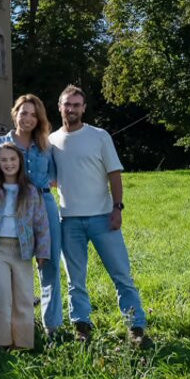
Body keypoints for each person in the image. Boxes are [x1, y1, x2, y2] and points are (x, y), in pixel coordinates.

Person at [49, 85, 151, 348]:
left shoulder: (99, 136)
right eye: (66, 104)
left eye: (76, 105)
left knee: (122, 276)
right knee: (75, 280)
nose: (71, 109)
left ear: (83, 108)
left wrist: (117, 208)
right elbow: (49, 180)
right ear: (59, 107)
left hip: (103, 218)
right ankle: (81, 327)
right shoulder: (51, 141)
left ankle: (136, 328)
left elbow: (114, 174)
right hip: (68, 220)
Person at [0, 93, 63, 338]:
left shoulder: (46, 145)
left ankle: (52, 326)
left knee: (48, 265)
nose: (28, 118)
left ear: (39, 118)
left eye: (33, 114)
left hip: (43, 203)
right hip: (10, 207)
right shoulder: (0, 143)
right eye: (23, 112)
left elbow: (53, 177)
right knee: (2, 267)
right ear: (15, 113)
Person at [0, 142, 50, 351]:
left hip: (23, 250)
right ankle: (0, 341)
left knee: (23, 295)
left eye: (12, 159)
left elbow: (41, 222)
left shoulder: (31, 191)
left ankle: (23, 343)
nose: (8, 164)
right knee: (2, 294)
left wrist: (43, 251)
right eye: (3, 160)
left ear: (20, 162)